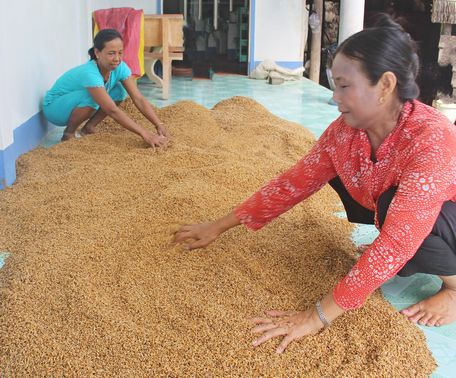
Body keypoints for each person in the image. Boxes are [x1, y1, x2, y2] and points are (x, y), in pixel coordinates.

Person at [173, 14, 456, 354]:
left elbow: (397, 242)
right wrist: (218, 226)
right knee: (371, 197)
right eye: (334, 84)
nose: (335, 97)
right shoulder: (345, 132)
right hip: (404, 214)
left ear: (385, 86)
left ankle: (453, 290)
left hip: (447, 216)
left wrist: (316, 315)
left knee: (396, 225)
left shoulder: (431, 138)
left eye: (345, 86)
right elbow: (293, 184)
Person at [42, 29, 169, 148]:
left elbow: (138, 98)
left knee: (118, 91)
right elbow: (112, 110)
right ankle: (68, 134)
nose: (117, 59)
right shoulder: (90, 73)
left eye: (120, 52)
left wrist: (158, 124)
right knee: (91, 96)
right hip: (55, 108)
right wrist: (145, 134)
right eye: (111, 53)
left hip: (71, 102)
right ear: (97, 53)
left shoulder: (120, 67)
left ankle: (89, 127)